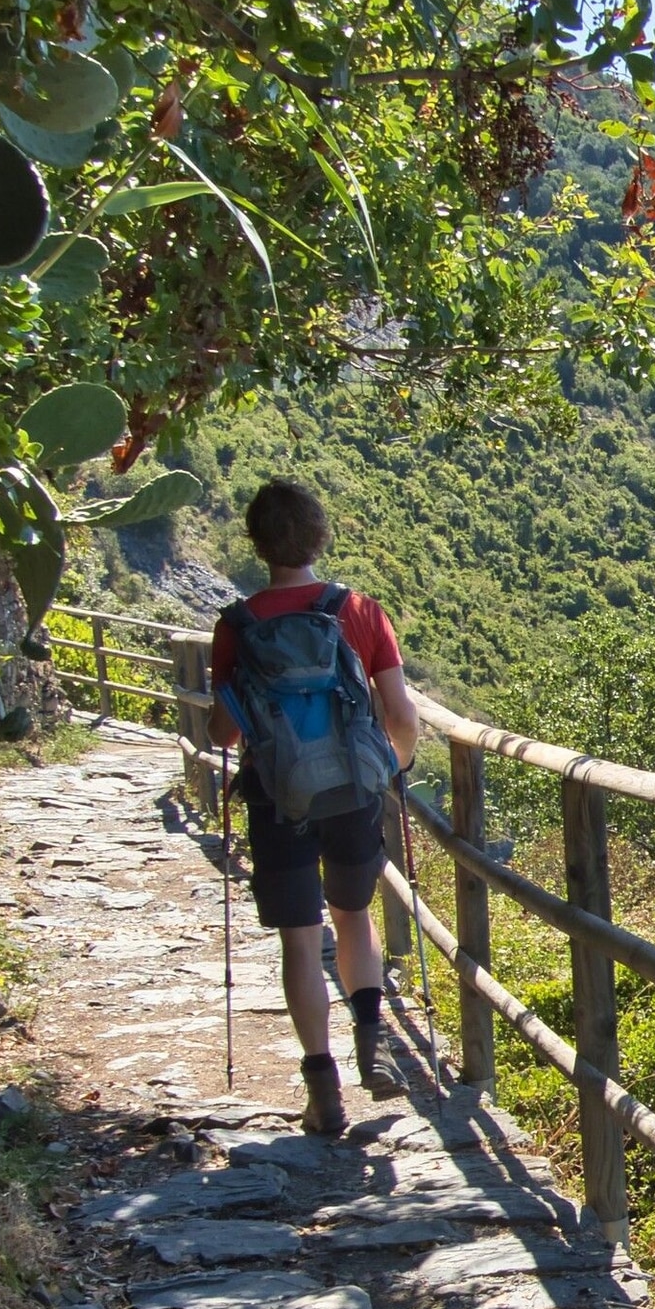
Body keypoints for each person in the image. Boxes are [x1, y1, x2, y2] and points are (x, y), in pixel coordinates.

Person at [206, 480, 424, 1135]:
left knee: (301, 942)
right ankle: (371, 1037)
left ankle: (321, 1085)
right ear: (319, 536)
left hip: (278, 798)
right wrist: (393, 765)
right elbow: (401, 715)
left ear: (257, 543)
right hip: (353, 792)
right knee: (353, 916)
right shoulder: (357, 610)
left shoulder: (237, 626)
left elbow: (223, 732)